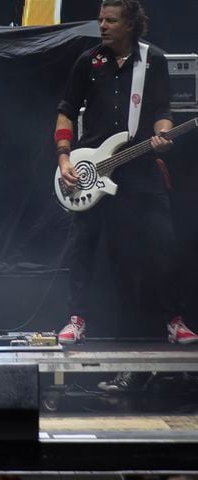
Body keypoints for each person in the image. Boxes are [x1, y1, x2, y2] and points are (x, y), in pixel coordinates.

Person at [54, 0, 198, 390]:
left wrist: (164, 133)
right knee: (83, 246)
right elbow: (66, 111)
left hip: (139, 167)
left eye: (110, 20)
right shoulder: (88, 61)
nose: (101, 26)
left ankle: (173, 321)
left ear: (131, 24)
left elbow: (162, 111)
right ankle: (76, 320)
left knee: (161, 244)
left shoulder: (155, 61)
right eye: (100, 19)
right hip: (92, 169)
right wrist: (65, 157)